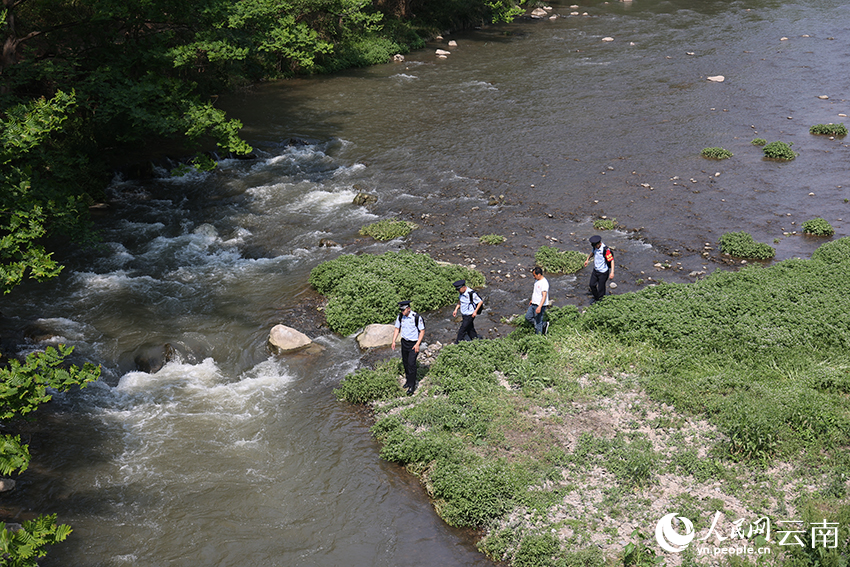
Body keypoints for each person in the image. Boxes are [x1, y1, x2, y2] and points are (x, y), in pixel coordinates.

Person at [391, 300, 425, 395]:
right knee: (405, 363)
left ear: (408, 309)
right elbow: (397, 329)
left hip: (414, 344)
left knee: (411, 364)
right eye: (401, 310)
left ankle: (412, 386)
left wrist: (418, 344)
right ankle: (408, 381)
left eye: (403, 310)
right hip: (404, 342)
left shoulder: (416, 317)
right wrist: (393, 341)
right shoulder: (400, 316)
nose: (402, 312)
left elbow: (422, 331)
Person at [583, 235, 614, 304]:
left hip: (603, 272)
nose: (595, 247)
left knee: (601, 288)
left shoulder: (605, 250)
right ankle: (597, 298)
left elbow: (611, 260)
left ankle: (601, 302)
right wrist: (587, 259)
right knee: (592, 285)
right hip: (596, 270)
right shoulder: (595, 247)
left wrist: (612, 272)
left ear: (599, 243)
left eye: (596, 245)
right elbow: (592, 252)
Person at [525, 266, 550, 335]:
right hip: (534, 303)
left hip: (539, 305)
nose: (533, 277)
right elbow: (536, 292)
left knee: (538, 323)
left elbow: (544, 296)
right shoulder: (537, 280)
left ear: (539, 274)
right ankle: (544, 324)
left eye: (534, 275)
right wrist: (532, 300)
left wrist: (539, 307)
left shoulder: (544, 283)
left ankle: (538, 338)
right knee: (528, 317)